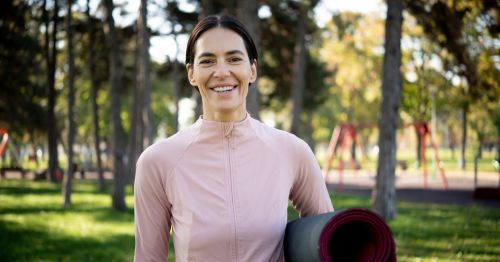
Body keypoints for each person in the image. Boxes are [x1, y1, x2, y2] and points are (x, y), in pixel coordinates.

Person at [134, 14, 333, 262]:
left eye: (234, 59)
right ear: (191, 74)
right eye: (207, 61)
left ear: (252, 70)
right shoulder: (157, 161)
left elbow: (329, 243)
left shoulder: (292, 150)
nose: (221, 72)